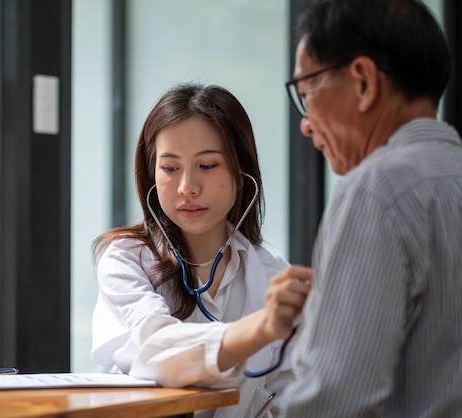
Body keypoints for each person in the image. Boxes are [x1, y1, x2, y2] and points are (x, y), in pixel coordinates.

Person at [282, 0, 462, 416]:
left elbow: (334, 403)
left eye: (307, 92)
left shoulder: (374, 191)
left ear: (363, 81)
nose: (305, 123)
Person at [91, 83, 312, 417]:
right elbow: (157, 352)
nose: (187, 187)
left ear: (241, 176)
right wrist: (260, 329)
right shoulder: (126, 261)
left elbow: (293, 397)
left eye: (207, 166)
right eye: (170, 168)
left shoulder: (272, 274)